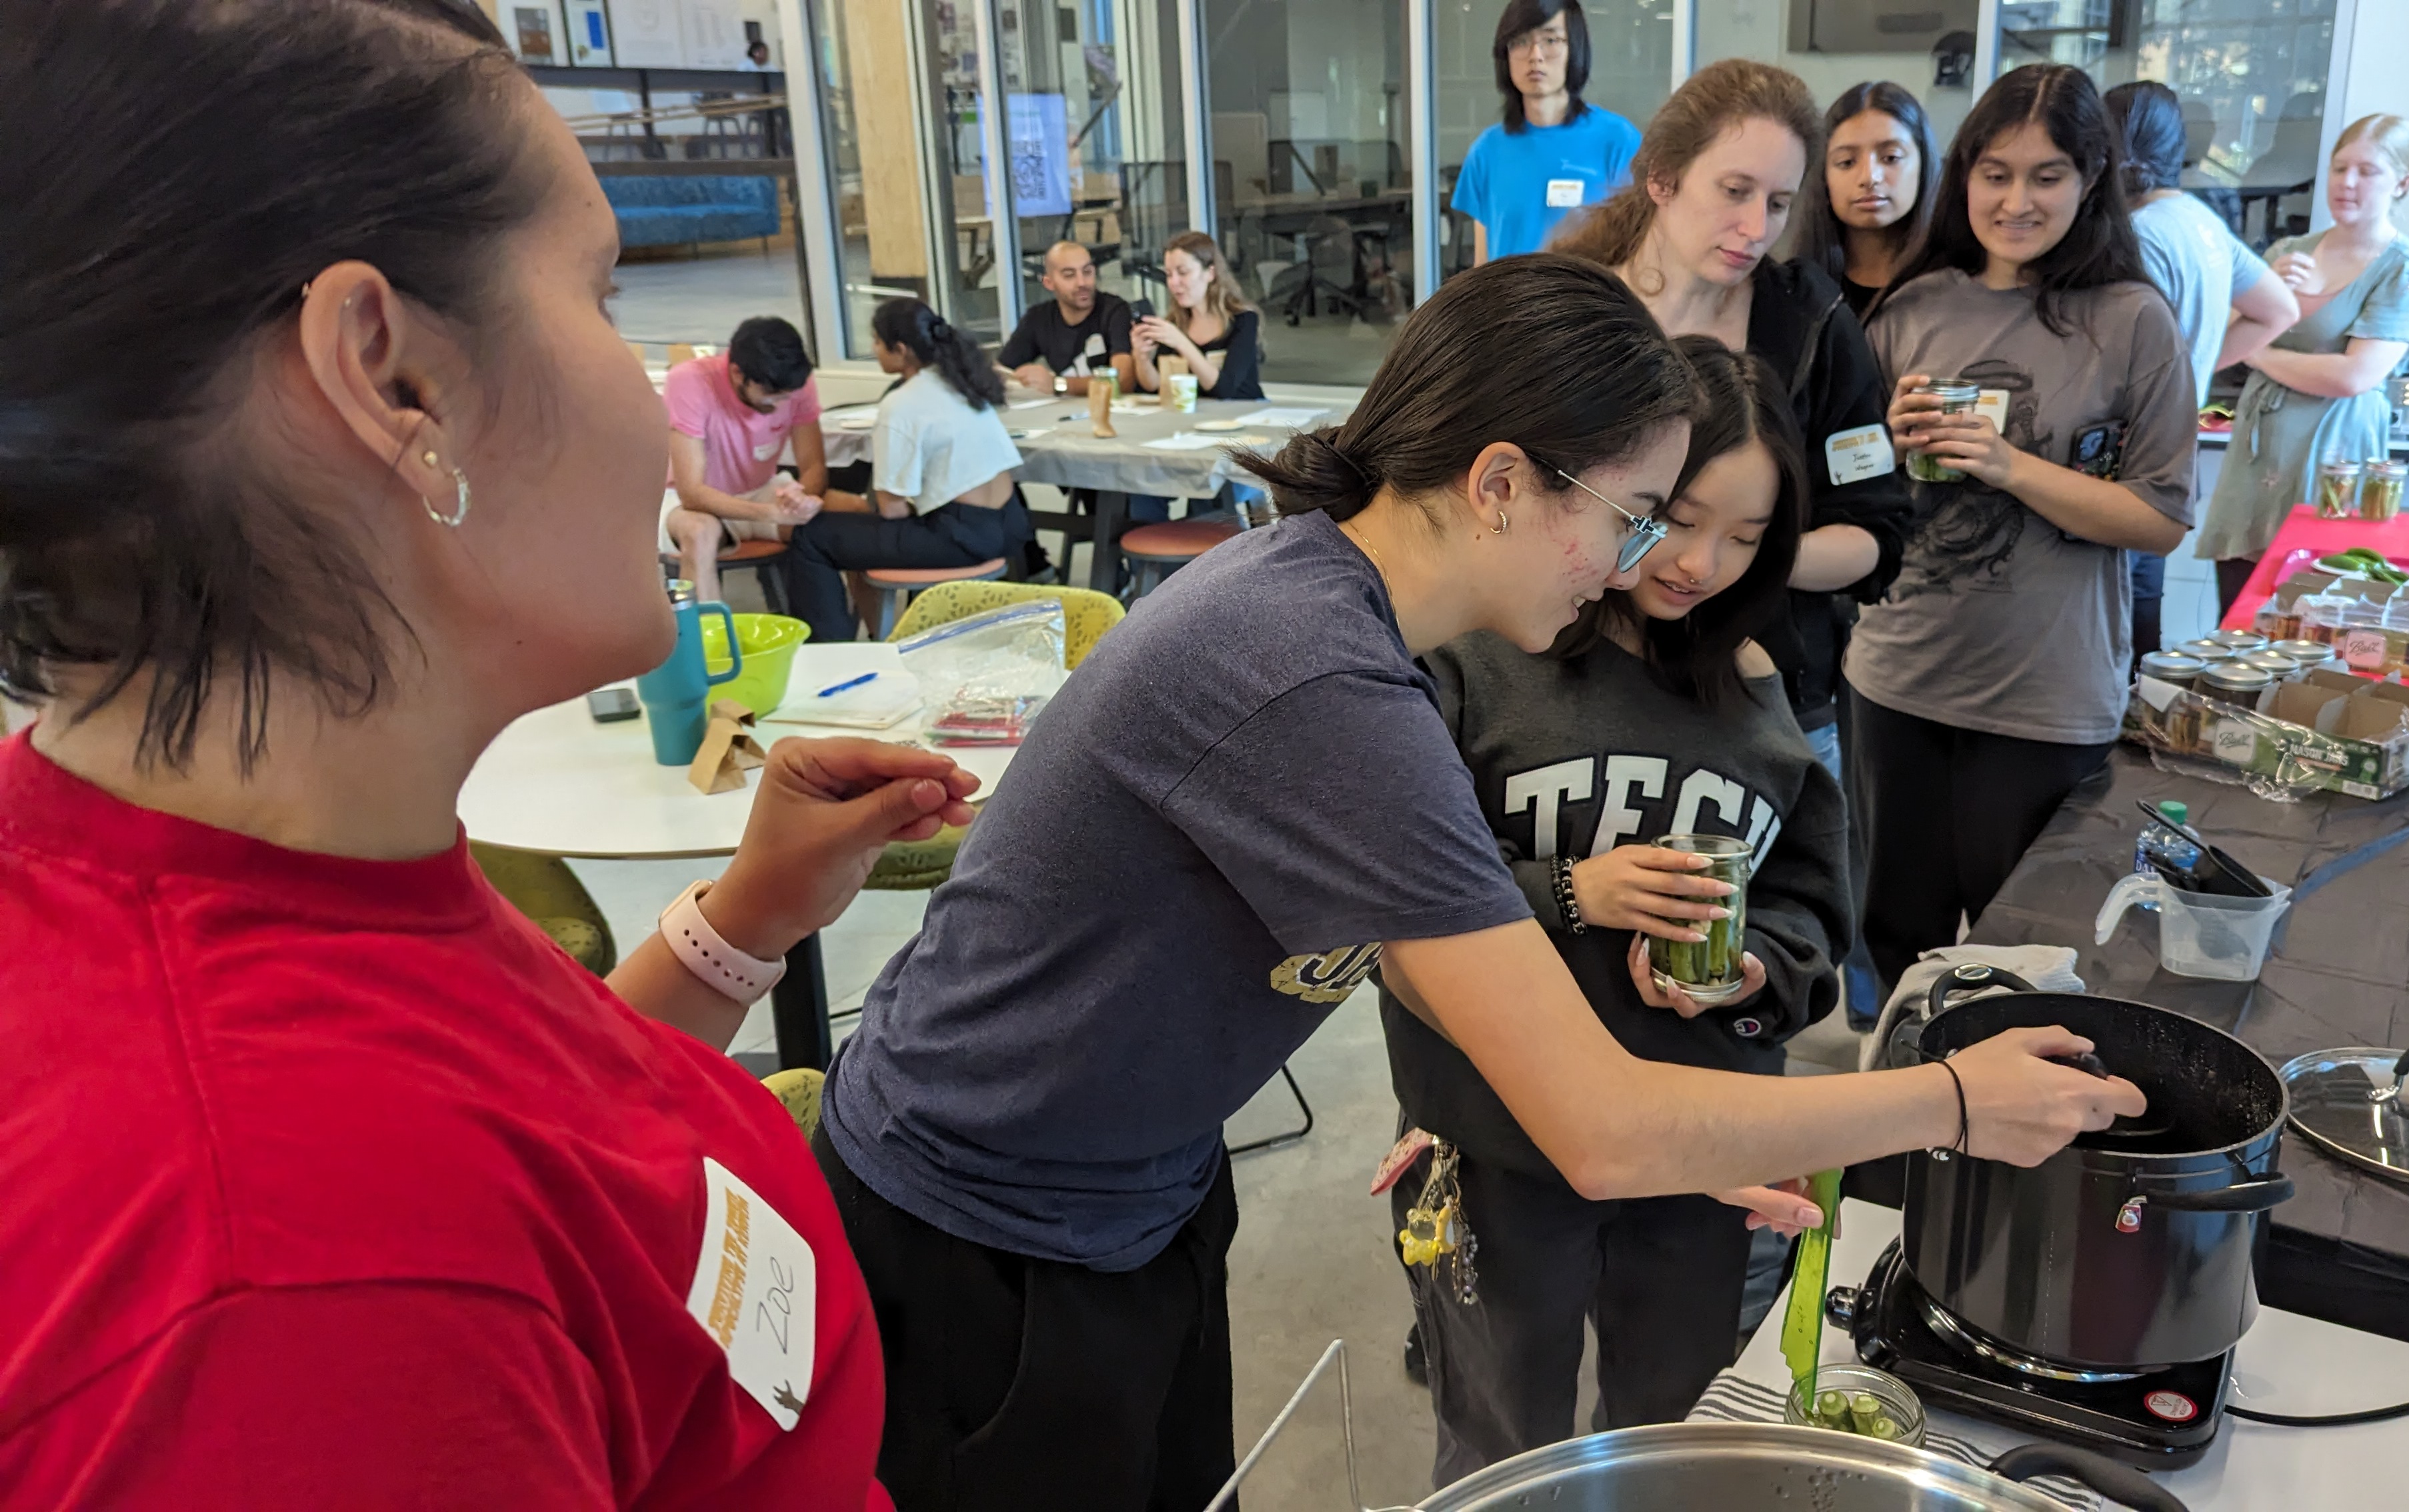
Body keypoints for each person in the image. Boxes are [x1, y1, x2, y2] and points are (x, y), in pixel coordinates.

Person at [815, 252, 2140, 1512]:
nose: (1633, 567)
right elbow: (1603, 1127)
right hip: (982, 1224)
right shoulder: (1320, 678)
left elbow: (1451, 967)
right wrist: (1959, 1102)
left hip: (1139, 1188)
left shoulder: (1337, 621)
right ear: (1501, 481)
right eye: (1627, 518)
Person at [0, 2, 987, 1505]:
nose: (647, 388)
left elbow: (519, 1130)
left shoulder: (269, 876)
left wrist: (743, 928)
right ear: (391, 379)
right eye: (600, 291)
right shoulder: (300, 1300)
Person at [1386, 339, 1849, 1485]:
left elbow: (1808, 908)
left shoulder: (1747, 682)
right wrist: (1569, 890)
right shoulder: (1483, 655)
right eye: (1675, 515)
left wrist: (1756, 971)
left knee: (1676, 1429)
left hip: (1699, 1139)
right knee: (1502, 1435)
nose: (1698, 560)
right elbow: (1387, 898)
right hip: (1498, 1145)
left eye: (1745, 537)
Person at [1554, 58, 1906, 1043]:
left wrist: (1736, 551)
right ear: (1661, 177)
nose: (1755, 228)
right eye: (1733, 192)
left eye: (1781, 203)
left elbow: (1880, 537)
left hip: (1762, 688)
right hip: (1563, 684)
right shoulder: (1562, 311)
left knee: (1728, 967)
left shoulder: (1814, 324)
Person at [1852, 63, 2196, 991]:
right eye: (1994, 172)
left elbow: (2162, 517)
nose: (2016, 199)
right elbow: (1843, 489)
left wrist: (2009, 465)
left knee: (2029, 966)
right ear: (1963, 175)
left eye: (2046, 175)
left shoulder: (2132, 321)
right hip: (1898, 681)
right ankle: (1900, 1131)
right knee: (1899, 958)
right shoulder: (1911, 308)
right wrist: (1882, 444)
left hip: (2047, 699)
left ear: (2092, 181)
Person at [2195, 114, 2409, 615]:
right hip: (2258, 454)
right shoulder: (2288, 252)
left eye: (2368, 171)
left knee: (2316, 613)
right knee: (2238, 612)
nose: (2347, 183)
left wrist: (2261, 352)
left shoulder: (2406, 269)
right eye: (2339, 167)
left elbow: (2354, 377)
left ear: (2403, 184)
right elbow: (2217, 347)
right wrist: (2264, 293)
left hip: (2335, 452)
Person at [2105, 79, 2299, 661]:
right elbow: (2278, 311)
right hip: (2173, 440)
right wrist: (2194, 367)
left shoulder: (2133, 235)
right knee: (2144, 592)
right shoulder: (2202, 221)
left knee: (2113, 601)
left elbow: (2117, 358)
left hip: (2123, 445)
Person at [782, 298, 1030, 641]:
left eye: (877, 342)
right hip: (1011, 523)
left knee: (812, 536)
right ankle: (873, 636)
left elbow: (893, 511)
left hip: (962, 536)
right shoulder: (963, 381)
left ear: (900, 350)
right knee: (849, 530)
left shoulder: (900, 404)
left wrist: (841, 502)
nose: (873, 349)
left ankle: (827, 650)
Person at [1452, 0, 1642, 264]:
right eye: (1520, 42)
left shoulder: (1618, 141)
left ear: (1575, 49)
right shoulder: (1486, 151)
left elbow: (1637, 252)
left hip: (1588, 303)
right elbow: (1483, 262)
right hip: (1511, 304)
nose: (1535, 55)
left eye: (1551, 40)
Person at [661, 315, 835, 601]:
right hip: (691, 502)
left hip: (762, 491)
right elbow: (692, 492)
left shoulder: (794, 381)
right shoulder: (690, 380)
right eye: (771, 395)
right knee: (700, 532)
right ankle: (707, 641)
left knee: (852, 511)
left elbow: (814, 465)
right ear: (737, 373)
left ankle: (861, 635)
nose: (780, 403)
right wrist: (773, 514)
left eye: (786, 397)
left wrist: (804, 500)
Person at [1799, 81, 1939, 319]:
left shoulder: (1956, 286)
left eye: (1891, 158)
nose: (1869, 178)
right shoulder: (1800, 288)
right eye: (1847, 162)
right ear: (1823, 175)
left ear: (1924, 164)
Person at [1131, 231, 1264, 402]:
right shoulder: (1176, 324)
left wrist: (1181, 342)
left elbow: (1225, 388)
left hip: (1245, 416)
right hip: (1196, 420)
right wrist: (1141, 357)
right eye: (1169, 274)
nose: (1174, 283)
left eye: (1183, 272)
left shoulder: (1243, 320)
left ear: (1210, 273)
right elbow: (1154, 386)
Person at [998, 239, 1141, 395]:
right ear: (1049, 283)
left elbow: (1122, 381)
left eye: (1087, 272)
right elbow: (1001, 370)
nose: (1082, 283)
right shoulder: (1038, 318)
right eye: (1069, 275)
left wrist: (1058, 385)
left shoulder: (1115, 311)